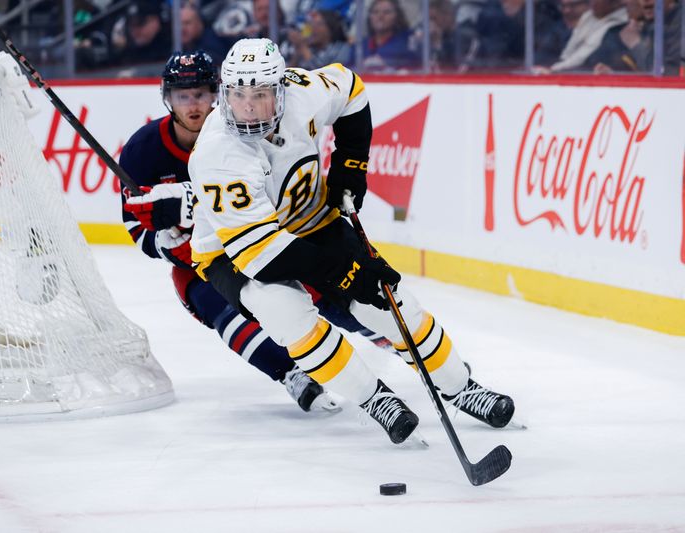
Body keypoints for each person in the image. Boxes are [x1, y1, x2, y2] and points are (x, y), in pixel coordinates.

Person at [188, 38, 516, 445]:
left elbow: (351, 90)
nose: (248, 106)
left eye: (259, 94)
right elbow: (263, 256)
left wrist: (350, 167)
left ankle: (462, 387)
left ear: (281, 90)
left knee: (385, 302)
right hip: (232, 253)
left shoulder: (304, 92)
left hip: (308, 218)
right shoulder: (218, 154)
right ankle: (374, 398)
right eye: (237, 94)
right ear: (225, 92)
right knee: (285, 311)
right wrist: (346, 272)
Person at [120, 50, 342, 413]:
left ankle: (386, 336)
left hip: (261, 241)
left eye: (202, 93)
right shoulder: (142, 152)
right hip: (203, 262)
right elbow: (134, 223)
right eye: (182, 95)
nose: (194, 105)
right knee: (211, 302)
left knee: (321, 288)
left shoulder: (249, 133)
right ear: (168, 99)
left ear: (218, 94)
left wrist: (191, 204)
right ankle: (290, 374)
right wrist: (162, 244)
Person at [284, 9, 352, 69]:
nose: (313, 28)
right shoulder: (309, 48)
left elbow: (324, 76)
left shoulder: (341, 48)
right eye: (311, 24)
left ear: (330, 28)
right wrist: (298, 50)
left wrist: (304, 49)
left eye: (319, 24)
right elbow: (288, 73)